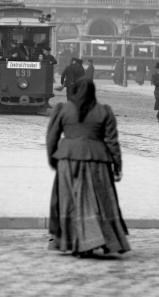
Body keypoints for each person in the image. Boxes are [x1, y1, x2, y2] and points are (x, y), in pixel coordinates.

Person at [46, 79, 129, 257]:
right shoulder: (104, 111)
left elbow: (51, 137)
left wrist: (53, 159)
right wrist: (117, 165)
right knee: (98, 202)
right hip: (97, 160)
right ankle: (96, 240)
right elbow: (112, 142)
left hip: (67, 160)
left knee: (69, 201)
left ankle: (71, 241)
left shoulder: (63, 109)